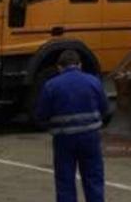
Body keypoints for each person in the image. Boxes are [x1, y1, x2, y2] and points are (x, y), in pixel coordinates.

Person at [34, 51, 111, 202]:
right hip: (90, 137)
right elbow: (105, 108)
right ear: (79, 65)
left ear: (59, 67)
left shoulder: (51, 85)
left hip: (64, 138)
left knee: (65, 181)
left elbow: (41, 114)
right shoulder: (93, 81)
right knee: (93, 178)